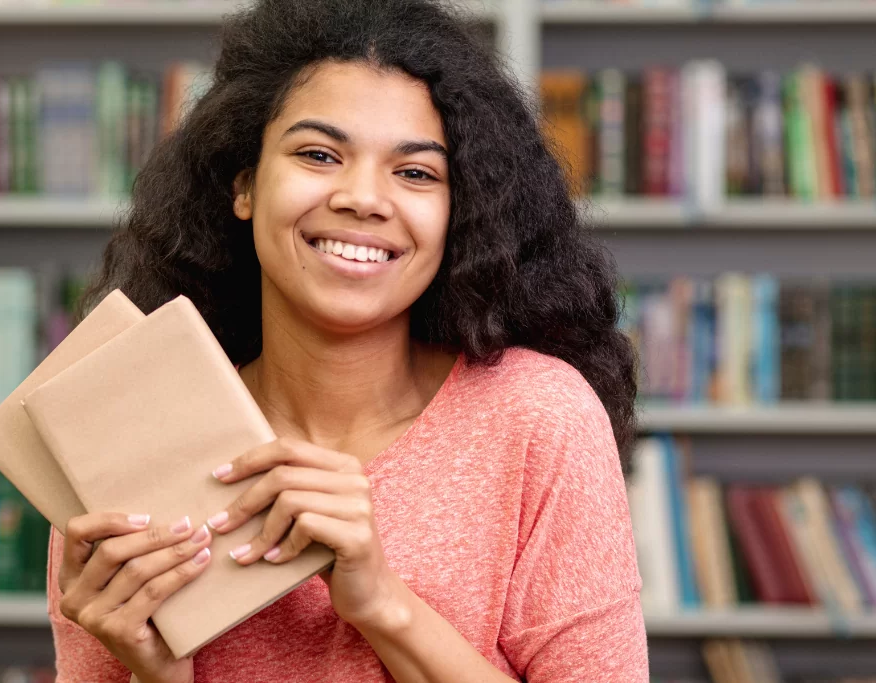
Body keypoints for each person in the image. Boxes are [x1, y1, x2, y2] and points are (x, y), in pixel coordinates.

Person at [47, 0, 647, 680]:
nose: (363, 197)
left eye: (416, 172)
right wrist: (157, 670)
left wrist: (381, 602)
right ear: (244, 183)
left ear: (460, 211)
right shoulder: (124, 439)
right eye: (318, 154)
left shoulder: (540, 418)